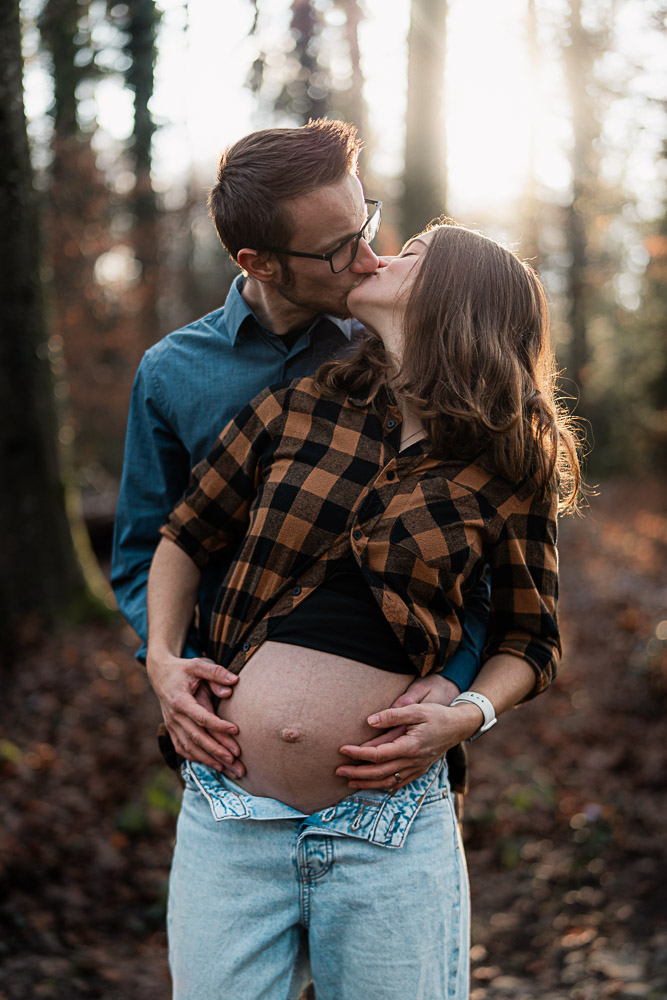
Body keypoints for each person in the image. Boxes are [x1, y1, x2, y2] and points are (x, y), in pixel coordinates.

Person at [147, 222, 581, 999]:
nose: (380, 256)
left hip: (388, 824)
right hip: (229, 809)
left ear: (454, 298)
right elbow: (185, 532)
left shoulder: (507, 459)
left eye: (408, 254)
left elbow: (530, 637)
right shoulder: (305, 401)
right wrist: (163, 661)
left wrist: (467, 713)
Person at [111, 119, 489, 784]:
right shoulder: (171, 374)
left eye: (365, 225)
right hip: (226, 761)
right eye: (340, 249)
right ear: (258, 262)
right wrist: (171, 664)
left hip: (399, 770)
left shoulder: (397, 347)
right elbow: (147, 547)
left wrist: (457, 686)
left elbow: (483, 550)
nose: (370, 258)